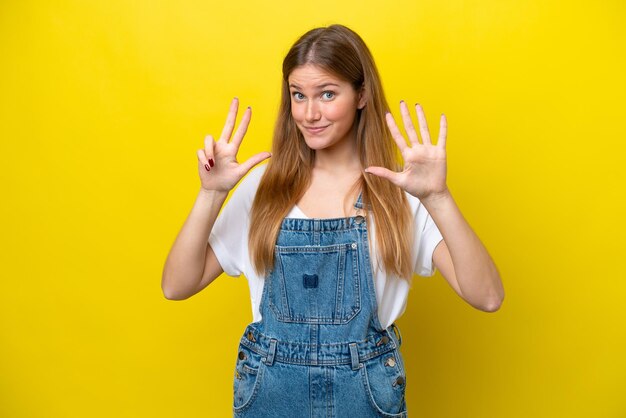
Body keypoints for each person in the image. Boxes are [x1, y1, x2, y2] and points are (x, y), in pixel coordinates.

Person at [162, 24, 504, 417]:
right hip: (270, 399)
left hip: (366, 400)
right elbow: (177, 285)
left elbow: (488, 296)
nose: (310, 113)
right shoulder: (263, 190)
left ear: (362, 95)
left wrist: (438, 197)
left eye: (327, 94)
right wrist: (211, 194)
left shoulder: (399, 192)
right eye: (298, 95)